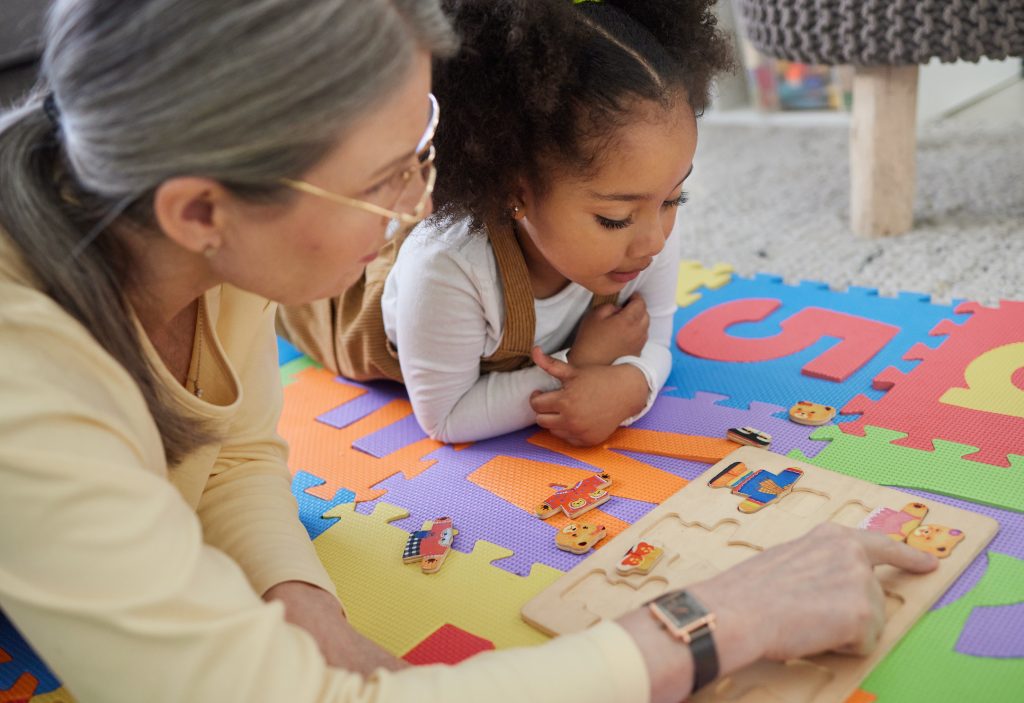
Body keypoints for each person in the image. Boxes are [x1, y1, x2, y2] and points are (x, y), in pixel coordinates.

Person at [0, 1, 939, 702]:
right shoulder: (25, 384)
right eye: (383, 181)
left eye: (424, 150)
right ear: (201, 209)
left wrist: (307, 606)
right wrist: (712, 621)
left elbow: (234, 453)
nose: (420, 206)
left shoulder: (203, 245)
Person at [279, 0, 708, 446]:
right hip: (327, 295)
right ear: (517, 193)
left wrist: (634, 383)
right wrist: (581, 363)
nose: (655, 241)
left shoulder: (645, 226)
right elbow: (445, 418)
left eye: (675, 198)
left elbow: (655, 343)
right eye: (613, 219)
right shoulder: (448, 267)